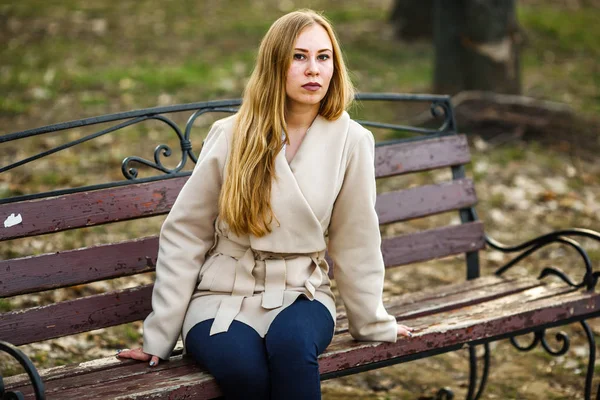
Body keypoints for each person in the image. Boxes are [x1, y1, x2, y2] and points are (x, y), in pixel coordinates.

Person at [116, 8, 414, 399]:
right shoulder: (232, 134)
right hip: (222, 296)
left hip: (302, 292)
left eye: (323, 57)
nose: (313, 70)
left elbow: (355, 239)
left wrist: (373, 322)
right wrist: (158, 337)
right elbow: (186, 233)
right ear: (275, 65)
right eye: (299, 56)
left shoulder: (352, 140)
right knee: (245, 373)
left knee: (292, 350)